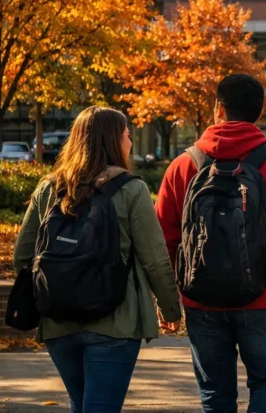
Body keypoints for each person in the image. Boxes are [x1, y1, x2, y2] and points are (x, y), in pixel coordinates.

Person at [155, 74, 266, 413]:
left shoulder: (183, 165)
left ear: (218, 108)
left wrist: (166, 297)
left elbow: (164, 239)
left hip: (200, 299)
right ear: (259, 113)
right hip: (264, 296)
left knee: (215, 394)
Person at [13, 107, 181, 413]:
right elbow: (155, 258)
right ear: (113, 141)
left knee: (82, 403)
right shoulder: (131, 189)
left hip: (58, 323)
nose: (131, 142)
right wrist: (170, 308)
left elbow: (23, 256)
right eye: (128, 135)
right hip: (116, 321)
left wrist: (51, 292)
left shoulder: (49, 189)